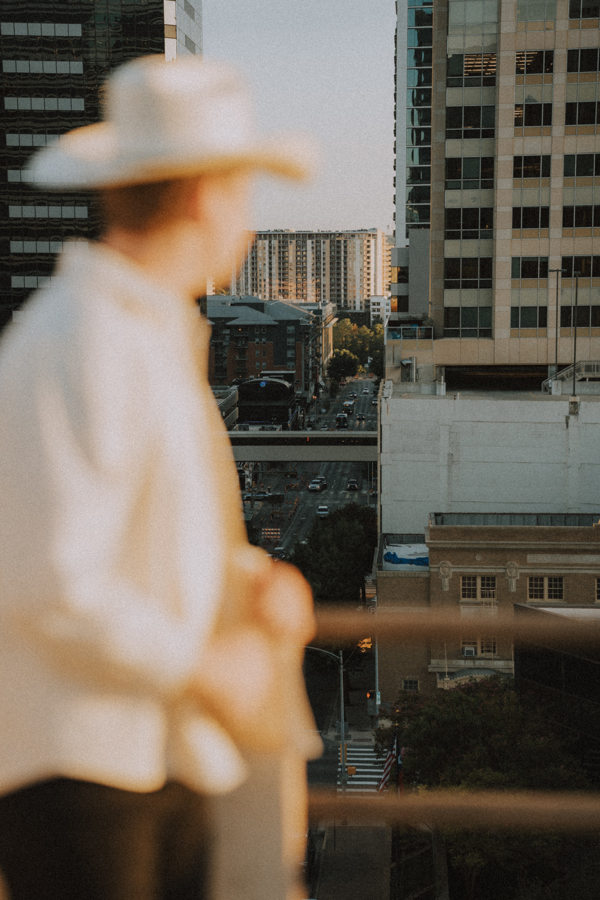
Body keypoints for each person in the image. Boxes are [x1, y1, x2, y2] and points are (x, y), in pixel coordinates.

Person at [0, 55, 321, 900]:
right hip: (86, 776)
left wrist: (245, 580)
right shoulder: (83, 340)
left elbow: (123, 542)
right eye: (245, 196)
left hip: (146, 758)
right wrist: (206, 666)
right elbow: (48, 580)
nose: (247, 225)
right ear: (205, 196)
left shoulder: (133, 334)